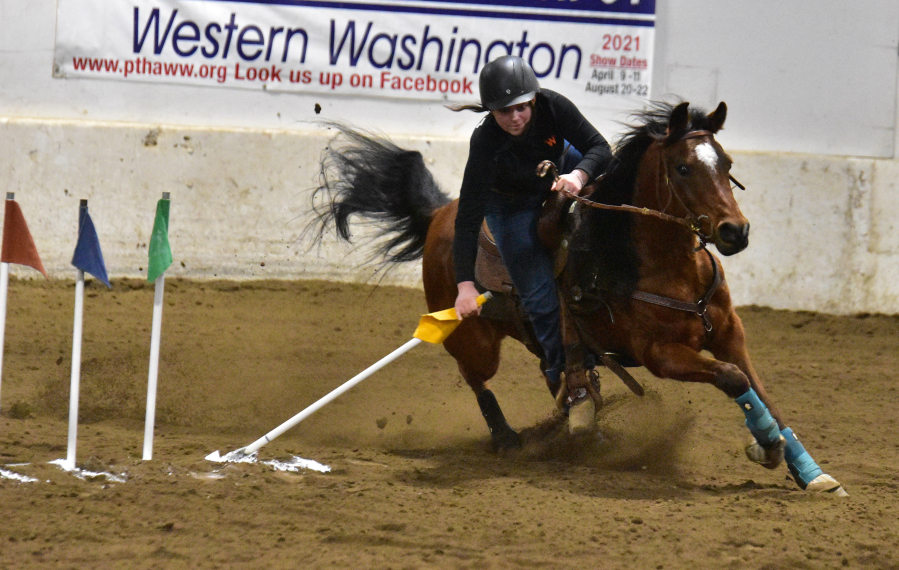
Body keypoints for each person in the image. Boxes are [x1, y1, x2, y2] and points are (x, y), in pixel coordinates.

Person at [452, 55, 614, 400]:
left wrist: (578, 174)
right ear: (491, 112)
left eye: (522, 108)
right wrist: (465, 286)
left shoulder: (554, 106)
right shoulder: (484, 143)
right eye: (504, 111)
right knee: (540, 299)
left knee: (609, 179)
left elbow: (601, 147)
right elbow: (467, 216)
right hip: (509, 206)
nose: (515, 118)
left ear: (534, 100)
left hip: (561, 166)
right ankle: (565, 376)